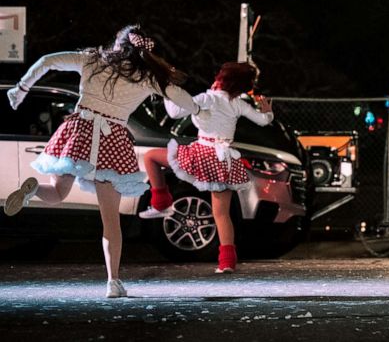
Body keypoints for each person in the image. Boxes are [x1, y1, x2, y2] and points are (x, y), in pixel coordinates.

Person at [3, 25, 201, 298]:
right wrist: (198, 109)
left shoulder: (93, 60)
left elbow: (47, 61)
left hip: (79, 131)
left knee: (59, 193)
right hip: (112, 141)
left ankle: (33, 190)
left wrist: (21, 88)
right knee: (111, 221)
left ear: (118, 45)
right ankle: (113, 282)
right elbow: (183, 100)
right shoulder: (146, 77)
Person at [137, 62, 273, 274]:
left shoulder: (206, 98)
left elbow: (174, 113)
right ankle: (227, 262)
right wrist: (268, 112)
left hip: (203, 153)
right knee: (221, 214)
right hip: (225, 159)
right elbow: (263, 121)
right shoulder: (237, 104)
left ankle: (161, 201)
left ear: (222, 79)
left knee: (151, 157)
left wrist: (165, 90)